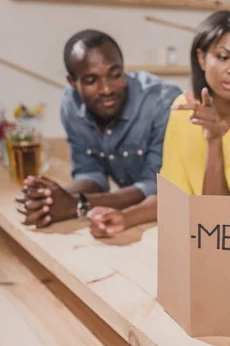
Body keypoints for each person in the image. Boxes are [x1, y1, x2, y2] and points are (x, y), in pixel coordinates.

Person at [88, 11, 230, 238]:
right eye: (224, 57)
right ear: (202, 58)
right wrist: (125, 217)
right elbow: (173, 195)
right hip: (193, 239)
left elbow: (219, 219)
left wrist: (214, 141)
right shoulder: (184, 108)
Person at [16, 29, 181, 228]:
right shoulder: (71, 105)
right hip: (134, 219)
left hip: (172, 218)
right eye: (91, 80)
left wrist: (76, 204)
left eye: (115, 74)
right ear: (72, 82)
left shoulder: (162, 102)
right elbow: (91, 174)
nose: (107, 89)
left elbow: (157, 188)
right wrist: (51, 198)